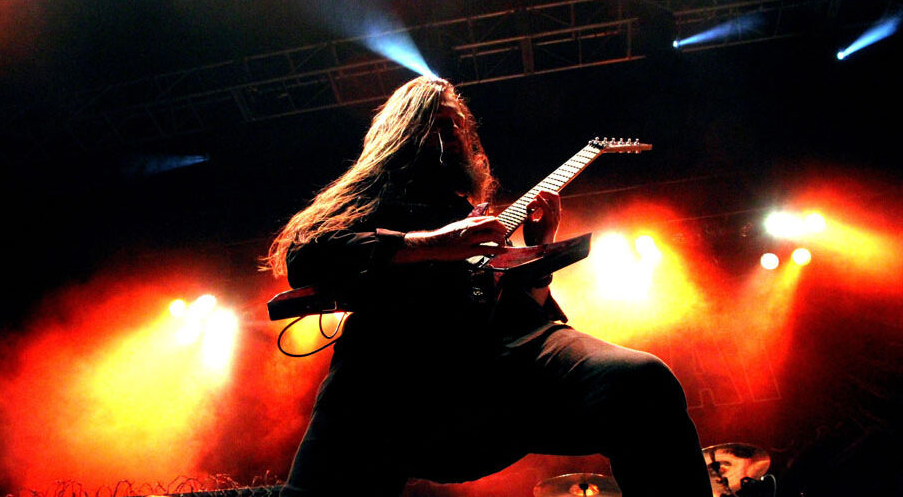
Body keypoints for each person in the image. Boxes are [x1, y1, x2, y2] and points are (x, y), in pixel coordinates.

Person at [267, 76, 712, 496]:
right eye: (442, 123)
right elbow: (303, 254)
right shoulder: (369, 197)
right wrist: (430, 244)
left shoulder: (469, 212)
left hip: (502, 360)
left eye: (460, 125)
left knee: (643, 383)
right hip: (398, 374)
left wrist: (539, 254)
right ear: (404, 132)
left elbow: (526, 306)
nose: (456, 134)